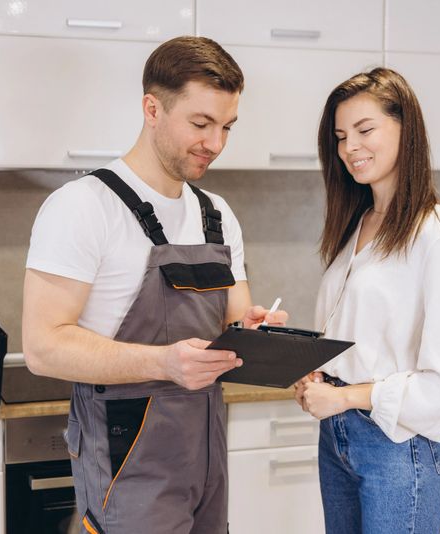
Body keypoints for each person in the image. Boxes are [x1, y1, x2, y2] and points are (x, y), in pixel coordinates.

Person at [22, 36, 286, 534]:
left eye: (227, 127)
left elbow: (235, 319)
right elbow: (42, 347)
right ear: (152, 108)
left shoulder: (218, 215)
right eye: (201, 123)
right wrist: (163, 362)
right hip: (128, 461)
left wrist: (256, 330)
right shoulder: (82, 207)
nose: (216, 143)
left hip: (207, 453)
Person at [294, 67, 440, 533]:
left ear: (406, 129)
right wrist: (309, 365)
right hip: (338, 437)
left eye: (365, 130)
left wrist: (346, 398)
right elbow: (359, 336)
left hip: (398, 450)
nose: (349, 147)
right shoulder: (359, 224)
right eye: (340, 136)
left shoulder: (435, 237)